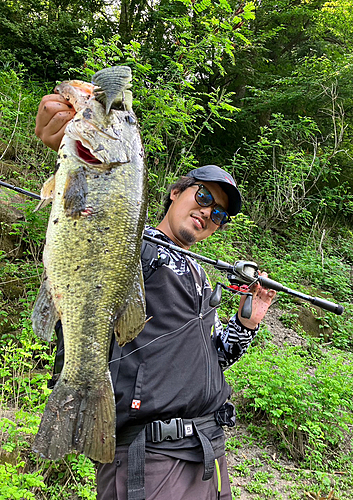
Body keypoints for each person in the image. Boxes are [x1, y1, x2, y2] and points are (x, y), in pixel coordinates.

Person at [35, 93, 276, 500]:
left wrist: (247, 323)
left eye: (218, 213)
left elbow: (216, 355)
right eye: (203, 197)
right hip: (150, 457)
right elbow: (92, 209)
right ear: (174, 191)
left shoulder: (198, 274)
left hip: (208, 453)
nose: (207, 213)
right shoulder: (134, 243)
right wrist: (70, 141)